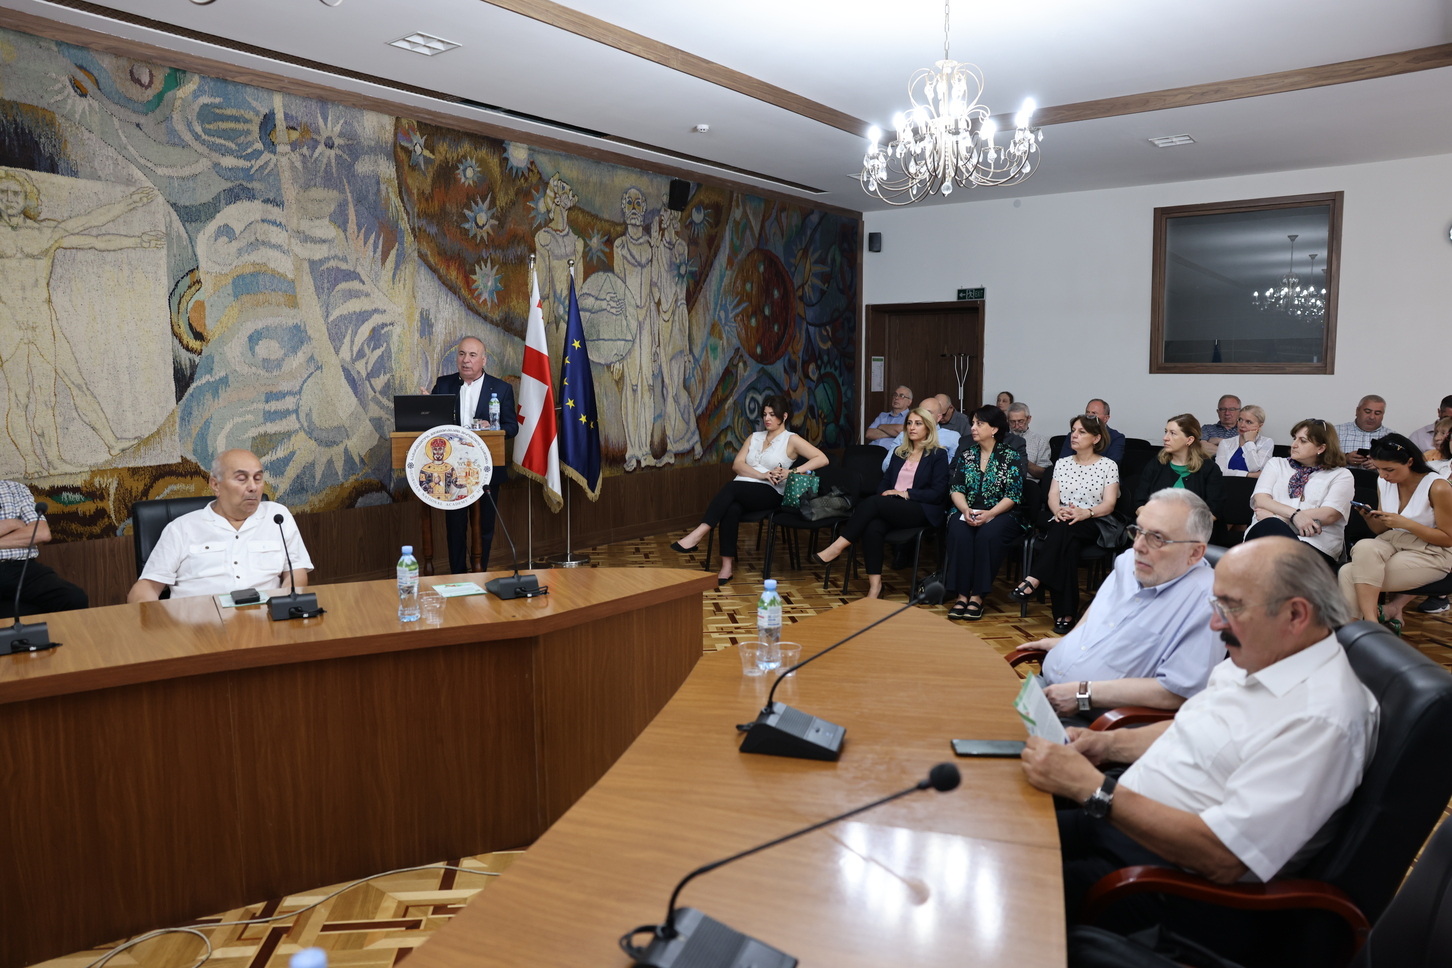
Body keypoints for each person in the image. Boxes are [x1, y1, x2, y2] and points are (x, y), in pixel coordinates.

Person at [1020, 537, 1377, 966]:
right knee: (997, 831)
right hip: (1121, 824)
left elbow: (1224, 857)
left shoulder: (1321, 718)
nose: (1214, 624)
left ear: (1295, 614)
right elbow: (1190, 728)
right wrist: (1107, 744)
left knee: (1006, 892)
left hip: (1166, 885)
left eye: (1230, 607)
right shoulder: (1264, 655)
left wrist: (1093, 790)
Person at [1008, 489, 1221, 721]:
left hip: (1093, 720)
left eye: (1156, 538)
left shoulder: (1208, 603)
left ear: (1195, 552)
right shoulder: (1130, 561)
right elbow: (1098, 612)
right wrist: (1068, 642)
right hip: (1045, 687)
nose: (1138, 546)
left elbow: (1177, 692)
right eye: (1138, 531)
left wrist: (1082, 694)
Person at [671, 395, 827, 585]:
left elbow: (822, 459)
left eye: (772, 415)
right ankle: (726, 567)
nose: (767, 418)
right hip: (743, 489)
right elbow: (737, 465)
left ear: (784, 416)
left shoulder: (791, 439)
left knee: (731, 488)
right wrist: (762, 474)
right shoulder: (754, 437)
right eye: (765, 414)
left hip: (770, 492)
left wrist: (790, 472)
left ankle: (698, 534)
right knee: (731, 509)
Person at [128, 450, 312, 602]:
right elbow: (146, 588)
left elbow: (296, 571)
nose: (253, 487)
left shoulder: (277, 516)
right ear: (215, 485)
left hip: (265, 619)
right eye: (241, 478)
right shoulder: (182, 528)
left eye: (258, 478)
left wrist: (285, 605)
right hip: (198, 625)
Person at [812, 407, 948, 599]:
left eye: (918, 424)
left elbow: (938, 493)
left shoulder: (937, 455)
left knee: (873, 503)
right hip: (893, 506)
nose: (912, 427)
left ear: (928, 427)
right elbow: (885, 482)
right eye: (909, 423)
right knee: (872, 527)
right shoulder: (900, 452)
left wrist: (905, 494)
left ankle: (837, 547)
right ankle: (875, 587)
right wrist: (886, 495)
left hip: (920, 508)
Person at [1014, 414, 1121, 634]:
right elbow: (1053, 496)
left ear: (1096, 438)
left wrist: (1086, 512)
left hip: (1094, 520)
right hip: (1064, 520)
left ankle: (1035, 578)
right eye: (1073, 430)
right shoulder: (1062, 463)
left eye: (1081, 432)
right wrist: (1057, 510)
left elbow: (1109, 505)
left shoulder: (1108, 465)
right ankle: (1065, 616)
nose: (1074, 435)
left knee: (1064, 529)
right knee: (1067, 545)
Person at [1338, 434, 1452, 633]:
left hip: (1431, 551)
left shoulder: (1438, 486)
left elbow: (1448, 538)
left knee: (1348, 573)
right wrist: (1369, 518)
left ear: (1410, 462)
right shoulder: (1383, 482)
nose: (1383, 475)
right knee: (1364, 546)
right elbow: (1381, 530)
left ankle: (1359, 631)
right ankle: (1369, 627)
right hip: (1392, 542)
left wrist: (1406, 524)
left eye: (1389, 469)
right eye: (1379, 468)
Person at [428, 336, 518, 574]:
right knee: (455, 526)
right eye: (461, 354)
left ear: (483, 360)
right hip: (451, 471)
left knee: (484, 526)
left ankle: (480, 572)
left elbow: (512, 427)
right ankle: (457, 574)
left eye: (472, 355)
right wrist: (426, 408)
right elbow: (433, 424)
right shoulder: (444, 385)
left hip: (487, 469)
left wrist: (493, 427)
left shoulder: (501, 389)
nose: (465, 360)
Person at [943, 406, 1024, 620]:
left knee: (987, 536)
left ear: (994, 429)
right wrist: (964, 509)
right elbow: (956, 488)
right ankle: (961, 596)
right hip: (968, 509)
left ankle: (977, 597)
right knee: (959, 533)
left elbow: (1013, 495)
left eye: (979, 424)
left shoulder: (1010, 456)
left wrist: (990, 514)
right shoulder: (967, 454)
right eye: (973, 423)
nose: (973, 428)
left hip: (1001, 512)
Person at [1247, 419, 1353, 571]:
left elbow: (1329, 514)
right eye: (1294, 438)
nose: (1294, 445)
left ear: (1321, 448)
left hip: (1315, 545)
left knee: (1271, 529)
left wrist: (1279, 518)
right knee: (1269, 527)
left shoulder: (1341, 475)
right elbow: (1261, 500)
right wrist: (1294, 515)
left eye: (1303, 441)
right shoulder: (1276, 464)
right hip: (1267, 534)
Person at [0, 480, 87, 618]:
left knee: (73, 598)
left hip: (21, 568)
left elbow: (41, 533)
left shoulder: (15, 488)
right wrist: (11, 524)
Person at [1132, 414, 1224, 518]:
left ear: (1189, 440)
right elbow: (1139, 502)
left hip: (1196, 526)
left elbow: (1214, 511)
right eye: (1166, 432)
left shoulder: (1209, 468)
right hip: (1155, 524)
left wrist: (1179, 525)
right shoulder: (1157, 464)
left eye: (1173, 433)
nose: (1165, 438)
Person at [880, 396, 961, 467]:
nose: (922, 416)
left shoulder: (952, 437)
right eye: (920, 412)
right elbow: (886, 465)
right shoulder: (904, 435)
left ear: (939, 417)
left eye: (928, 413)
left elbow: (954, 469)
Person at [1057, 398, 1126, 464]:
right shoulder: (1073, 435)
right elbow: (1063, 460)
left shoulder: (1116, 437)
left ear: (1106, 418)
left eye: (1094, 413)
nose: (1089, 417)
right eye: (1087, 412)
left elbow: (1112, 462)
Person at [1214, 404, 1274, 478]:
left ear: (1259, 425)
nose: (1242, 425)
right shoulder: (1225, 443)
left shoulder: (1266, 442)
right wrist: (1248, 475)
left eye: (1248, 422)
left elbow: (1254, 468)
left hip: (1253, 484)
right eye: (1240, 420)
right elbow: (1219, 471)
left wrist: (1249, 442)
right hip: (1227, 483)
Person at [1335, 394, 1394, 467]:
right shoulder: (1336, 432)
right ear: (1357, 411)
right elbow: (1322, 457)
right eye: (1367, 411)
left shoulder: (1392, 438)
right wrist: (1344, 457)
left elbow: (1402, 464)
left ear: (1383, 415)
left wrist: (1382, 464)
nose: (1372, 417)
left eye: (1377, 413)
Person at [1007, 402, 1052, 480]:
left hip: (1028, 482)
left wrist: (1022, 460)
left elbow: (1044, 473)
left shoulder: (1040, 441)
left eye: (1020, 421)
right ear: (1007, 420)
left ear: (1029, 419)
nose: (1016, 426)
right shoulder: (1001, 439)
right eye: (1012, 422)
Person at [865, 385, 914, 450]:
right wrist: (893, 433)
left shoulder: (911, 416)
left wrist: (881, 426)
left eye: (901, 396)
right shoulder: (882, 415)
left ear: (909, 402)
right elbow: (869, 434)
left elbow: (903, 431)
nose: (896, 398)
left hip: (891, 452)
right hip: (872, 449)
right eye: (895, 395)